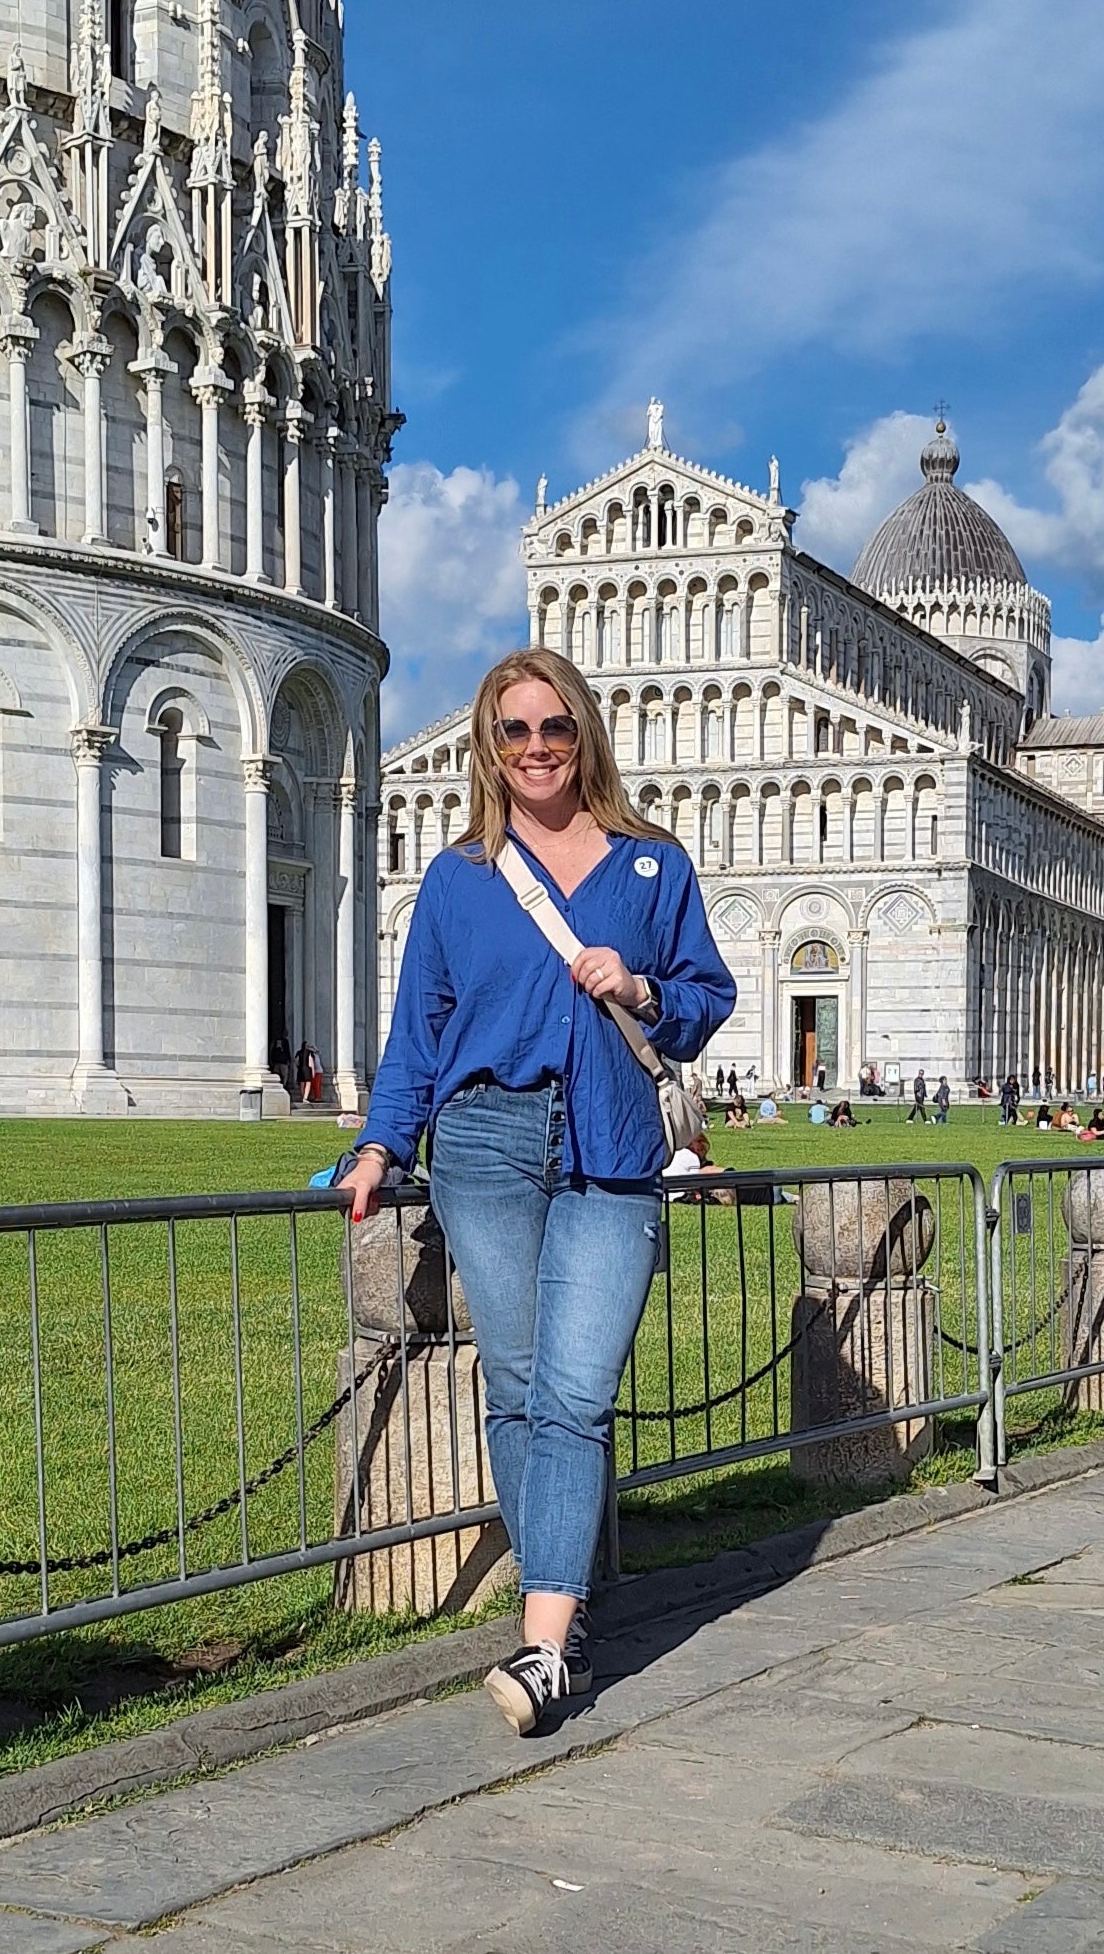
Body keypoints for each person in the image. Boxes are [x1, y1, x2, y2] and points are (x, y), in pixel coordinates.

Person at [347, 646, 734, 1738]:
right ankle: (557, 1620)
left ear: (584, 731)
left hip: (612, 1148)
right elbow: (417, 1029)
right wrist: (379, 1145)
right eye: (511, 731)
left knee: (572, 1390)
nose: (533, 748)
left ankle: (544, 1640)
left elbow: (707, 995)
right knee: (514, 1387)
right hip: (483, 1141)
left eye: (551, 726)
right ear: (487, 743)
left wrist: (644, 982)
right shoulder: (459, 876)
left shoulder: (651, 865)